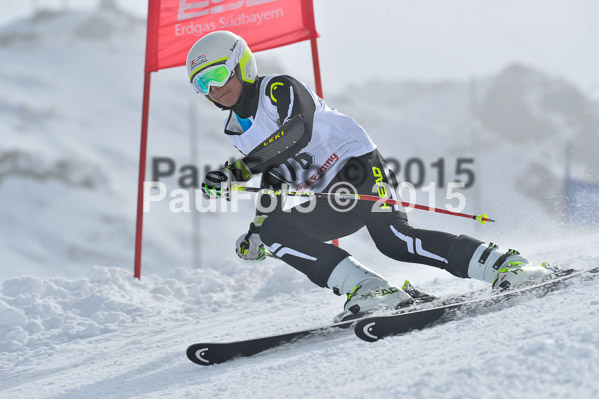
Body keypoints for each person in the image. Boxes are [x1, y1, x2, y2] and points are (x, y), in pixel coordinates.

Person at [186, 30, 554, 322]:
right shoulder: (236, 129)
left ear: (243, 65)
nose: (215, 90)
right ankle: (368, 289)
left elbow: (298, 131)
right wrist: (257, 225)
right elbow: (278, 174)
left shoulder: (278, 88)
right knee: (275, 232)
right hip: (327, 193)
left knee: (394, 239)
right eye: (203, 85)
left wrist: (239, 169)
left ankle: (507, 265)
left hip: (357, 165)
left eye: (218, 75)